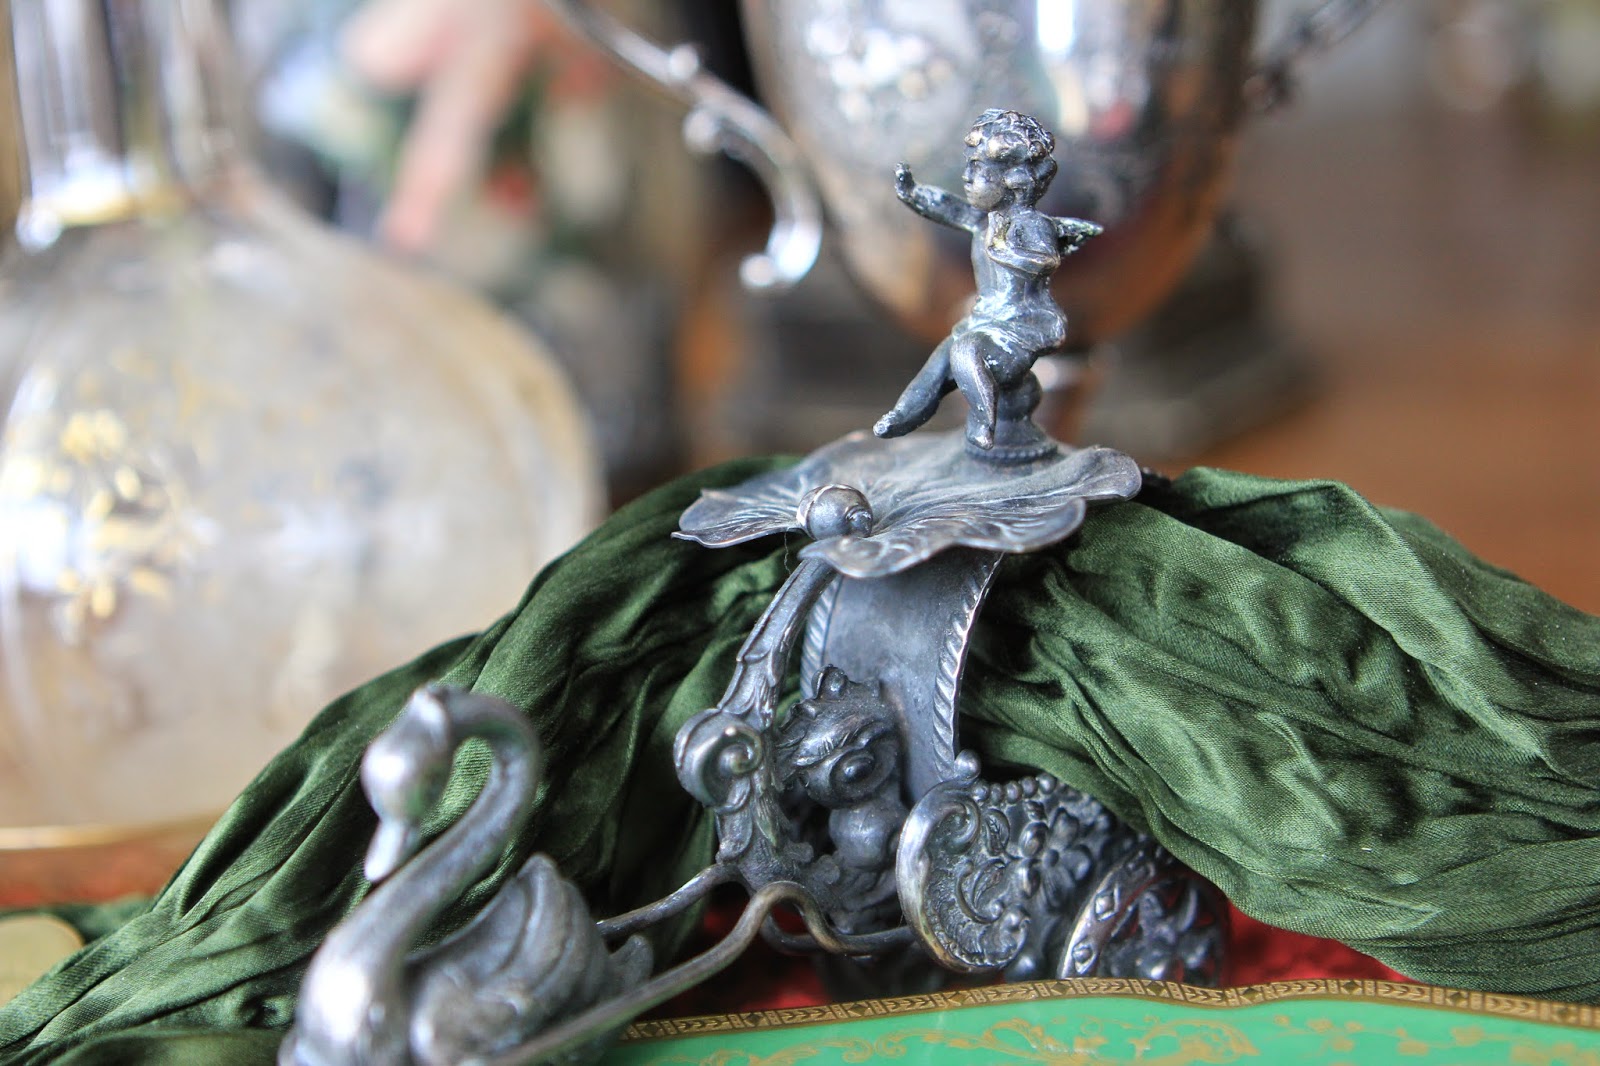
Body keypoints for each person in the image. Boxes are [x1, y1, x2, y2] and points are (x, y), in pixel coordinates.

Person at [873, 109, 1100, 455]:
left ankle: (984, 421)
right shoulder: (984, 221)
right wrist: (913, 193)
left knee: (965, 351)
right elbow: (947, 208)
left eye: (977, 169)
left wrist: (1006, 252)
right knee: (939, 361)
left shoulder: (1030, 224)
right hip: (985, 320)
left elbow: (1046, 260)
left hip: (1019, 328)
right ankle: (905, 413)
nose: (966, 176)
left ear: (1013, 180)